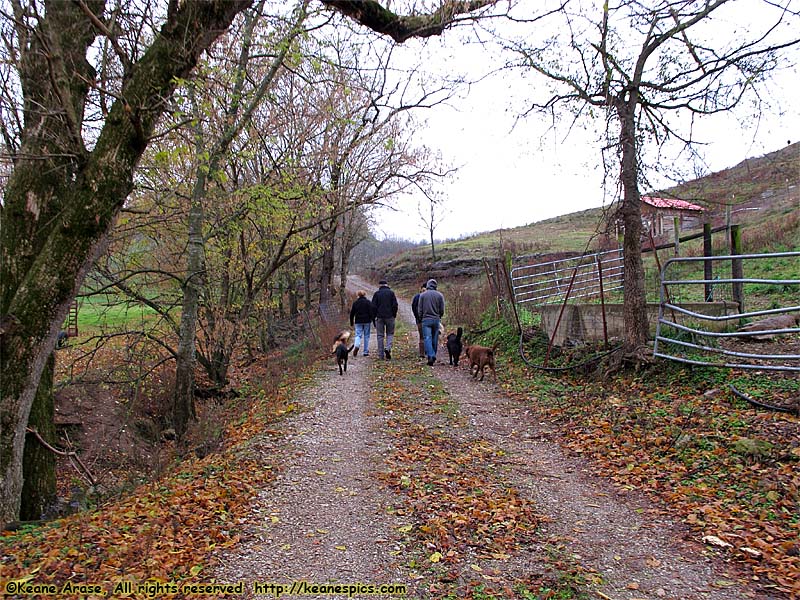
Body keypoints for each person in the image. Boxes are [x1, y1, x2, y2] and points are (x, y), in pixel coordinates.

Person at [418, 278, 445, 366]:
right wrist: (439, 316)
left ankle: (431, 355)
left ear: (428, 285)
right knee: (435, 338)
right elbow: (442, 309)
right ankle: (433, 354)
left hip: (426, 320)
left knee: (427, 338)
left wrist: (421, 317)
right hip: (436, 319)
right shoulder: (440, 295)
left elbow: (420, 309)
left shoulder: (422, 295)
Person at [371, 279, 398, 360]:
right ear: (387, 285)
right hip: (390, 316)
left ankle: (381, 355)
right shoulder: (391, 293)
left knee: (380, 336)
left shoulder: (376, 294)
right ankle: (388, 348)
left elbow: (373, 307)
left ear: (379, 285)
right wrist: (394, 314)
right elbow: (395, 305)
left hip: (379, 317)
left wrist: (374, 317)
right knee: (390, 334)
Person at [349, 290, 374, 357]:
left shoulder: (355, 303)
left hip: (358, 321)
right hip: (367, 321)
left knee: (358, 335)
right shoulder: (368, 302)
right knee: (366, 336)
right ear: (365, 295)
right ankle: (365, 352)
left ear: (358, 295)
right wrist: (373, 320)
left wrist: (351, 322)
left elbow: (352, 313)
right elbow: (371, 312)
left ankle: (357, 345)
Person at [411, 282, 427, 358]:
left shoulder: (417, 297)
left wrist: (416, 316)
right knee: (429, 335)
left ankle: (422, 353)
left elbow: (413, 307)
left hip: (419, 320)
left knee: (421, 336)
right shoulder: (430, 296)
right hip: (428, 318)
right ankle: (428, 351)